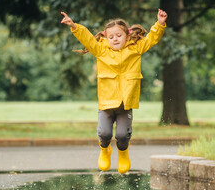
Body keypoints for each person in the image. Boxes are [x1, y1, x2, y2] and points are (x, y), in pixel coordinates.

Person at [61, 9, 167, 174]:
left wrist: (159, 24)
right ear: (106, 37)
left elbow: (152, 39)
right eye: (111, 37)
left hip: (126, 102)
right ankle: (105, 150)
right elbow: (87, 39)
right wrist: (74, 26)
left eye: (118, 35)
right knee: (104, 134)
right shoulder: (101, 51)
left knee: (122, 136)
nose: (115, 39)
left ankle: (123, 152)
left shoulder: (135, 49)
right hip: (106, 102)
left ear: (127, 35)